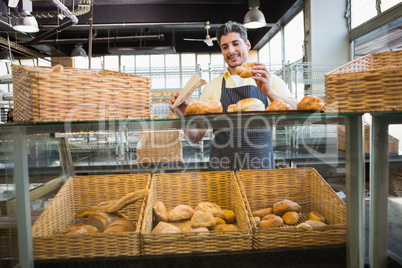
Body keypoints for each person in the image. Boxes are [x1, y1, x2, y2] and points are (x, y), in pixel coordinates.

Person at [169, 21, 298, 171]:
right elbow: (195, 137)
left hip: (260, 170)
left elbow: (298, 109)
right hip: (222, 172)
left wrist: (269, 91)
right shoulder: (212, 88)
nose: (231, 50)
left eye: (236, 43)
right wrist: (184, 115)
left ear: (247, 45)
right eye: (225, 47)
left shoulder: (269, 80)